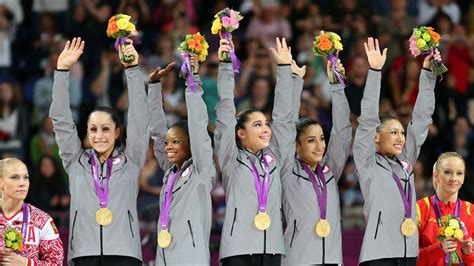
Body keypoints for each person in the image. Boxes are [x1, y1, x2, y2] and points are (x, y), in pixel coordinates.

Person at [49, 37, 149, 265]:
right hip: (84, 253)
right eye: (93, 129)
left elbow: (140, 119)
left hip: (125, 253)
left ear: (117, 132)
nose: (99, 135)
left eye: (106, 129)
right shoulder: (76, 161)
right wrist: (62, 70)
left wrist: (133, 70)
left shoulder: (132, 159)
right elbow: (61, 120)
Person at [354, 37, 440, 265]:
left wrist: (428, 75)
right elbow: (368, 119)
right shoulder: (366, 161)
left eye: (401, 133)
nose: (400, 137)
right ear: (376, 138)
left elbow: (421, 119)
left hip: (409, 253)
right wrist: (374, 72)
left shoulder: (406, 162)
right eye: (393, 132)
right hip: (378, 255)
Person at [215, 37, 293, 265]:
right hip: (237, 249)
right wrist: (225, 65)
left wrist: (285, 70)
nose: (266, 129)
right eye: (257, 125)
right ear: (240, 133)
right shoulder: (230, 157)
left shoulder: (275, 157)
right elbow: (226, 107)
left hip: (272, 248)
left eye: (266, 124)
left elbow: (284, 118)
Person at [281, 59, 351, 265]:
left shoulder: (330, 170)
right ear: (296, 145)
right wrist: (296, 82)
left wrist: (337, 85)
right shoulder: (286, 171)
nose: (319, 146)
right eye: (311, 141)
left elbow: (343, 132)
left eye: (321, 138)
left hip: (331, 259)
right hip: (297, 259)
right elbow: (285, 128)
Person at [149, 56, 216, 264]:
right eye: (168, 143)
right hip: (164, 254)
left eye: (175, 142)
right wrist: (153, 87)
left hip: (191, 257)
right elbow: (157, 132)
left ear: (190, 143)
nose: (168, 146)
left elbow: (197, 123)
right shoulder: (170, 171)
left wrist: (192, 81)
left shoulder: (202, 170)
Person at [0, 158, 63, 265]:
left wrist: (26, 263)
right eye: (14, 177)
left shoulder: (42, 220)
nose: (22, 183)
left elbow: (56, 263)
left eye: (26, 177)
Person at [417, 152, 474, 265]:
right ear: (436, 176)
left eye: (459, 173)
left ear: (463, 178)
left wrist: (468, 253)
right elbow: (409, 258)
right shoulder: (420, 208)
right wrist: (439, 249)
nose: (454, 178)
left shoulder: (471, 211)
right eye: (447, 172)